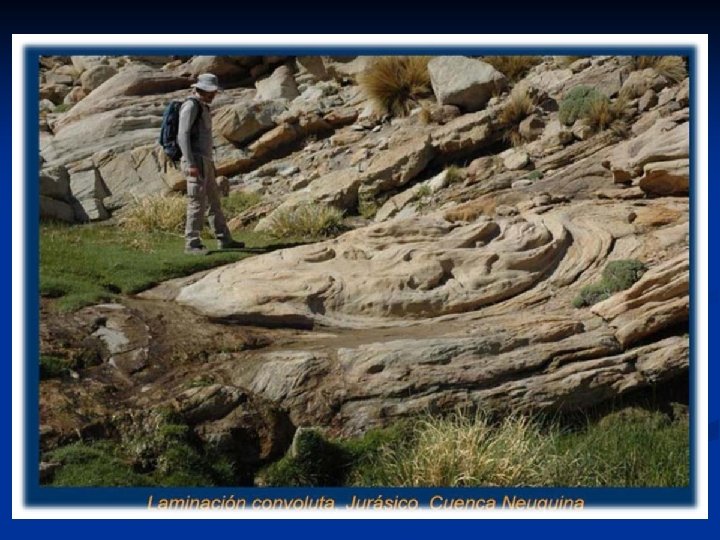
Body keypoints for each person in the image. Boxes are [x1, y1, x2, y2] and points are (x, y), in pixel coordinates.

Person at [177, 73, 244, 255]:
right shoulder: (190, 106)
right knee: (196, 203)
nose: (214, 95)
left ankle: (224, 239)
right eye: (212, 92)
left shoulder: (202, 107)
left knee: (214, 202)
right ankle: (192, 244)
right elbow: (182, 135)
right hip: (195, 161)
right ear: (203, 90)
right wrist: (190, 163)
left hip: (205, 161)